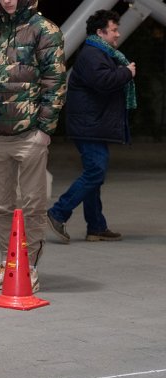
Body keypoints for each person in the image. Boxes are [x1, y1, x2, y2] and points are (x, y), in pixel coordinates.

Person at [0, 0, 66, 292]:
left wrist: (44, 129)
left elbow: (55, 81)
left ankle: (29, 268)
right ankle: (7, 263)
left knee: (32, 206)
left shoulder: (45, 30)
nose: (8, 0)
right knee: (0, 205)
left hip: (30, 135)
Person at [47, 9, 133, 244]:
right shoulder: (92, 55)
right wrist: (126, 72)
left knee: (94, 175)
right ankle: (58, 212)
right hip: (89, 126)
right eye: (114, 30)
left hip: (93, 124)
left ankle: (96, 227)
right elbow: (103, 82)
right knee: (95, 172)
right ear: (100, 32)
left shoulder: (98, 53)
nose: (117, 34)